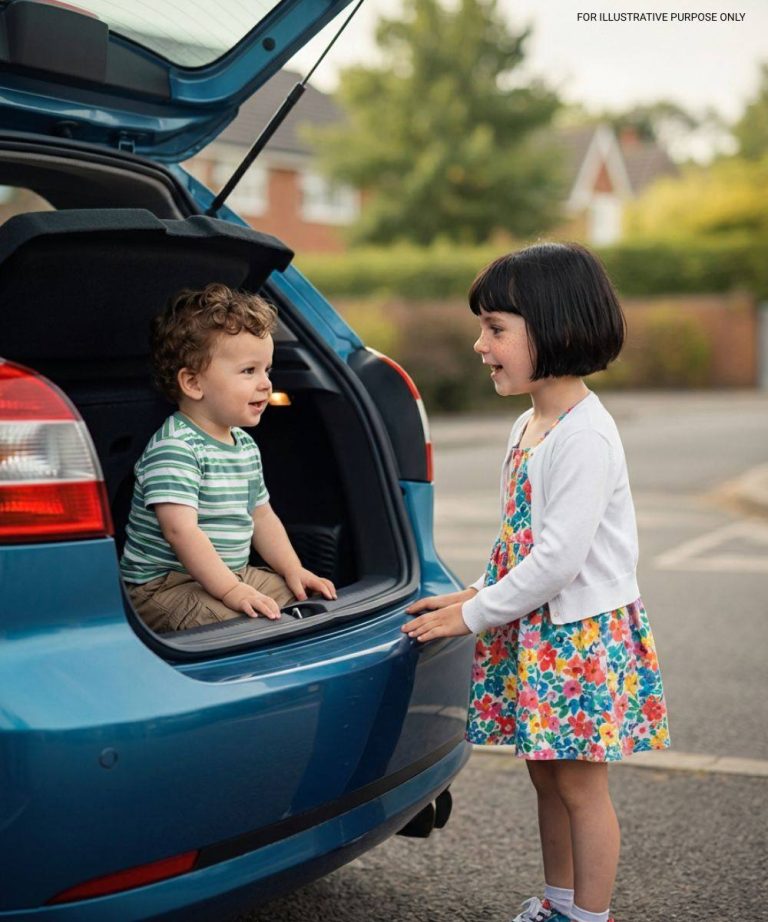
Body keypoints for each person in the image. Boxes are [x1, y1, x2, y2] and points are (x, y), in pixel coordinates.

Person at [402, 243, 669, 922]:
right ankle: (558, 903)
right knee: (546, 777)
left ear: (552, 327)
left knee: (580, 790)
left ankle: (588, 916)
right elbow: (518, 542)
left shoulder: (585, 436)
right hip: (538, 628)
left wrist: (472, 616)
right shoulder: (530, 424)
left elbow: (558, 562)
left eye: (495, 329)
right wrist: (475, 593)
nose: (480, 345)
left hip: (576, 636)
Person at [120, 283, 336, 631]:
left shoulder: (245, 445)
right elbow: (180, 532)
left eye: (267, 370)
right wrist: (232, 591)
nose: (266, 383)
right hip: (165, 587)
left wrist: (292, 568)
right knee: (243, 626)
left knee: (303, 603)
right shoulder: (175, 448)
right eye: (249, 371)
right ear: (193, 383)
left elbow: (262, 516)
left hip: (230, 573)